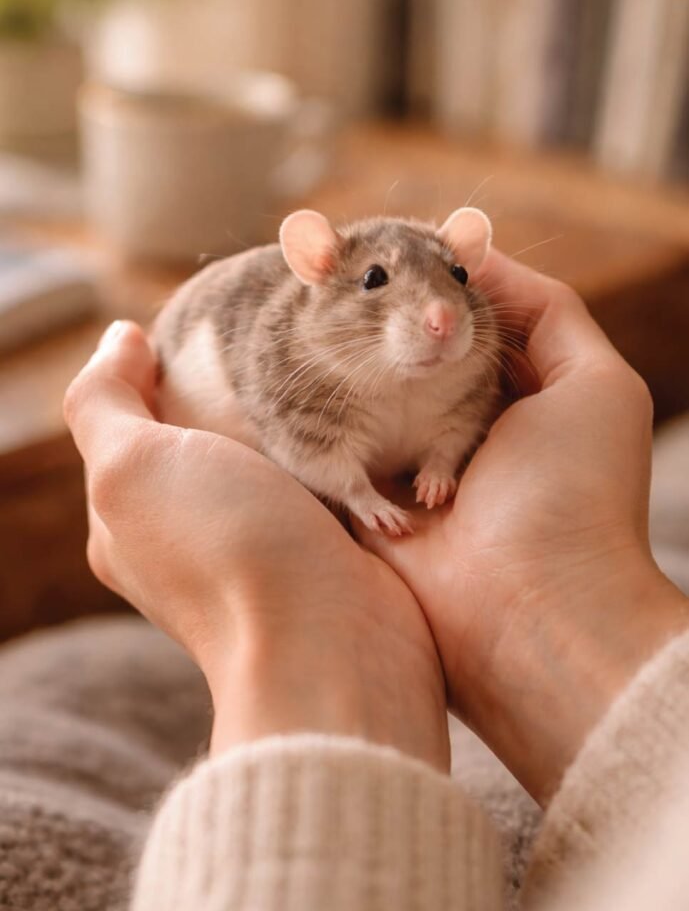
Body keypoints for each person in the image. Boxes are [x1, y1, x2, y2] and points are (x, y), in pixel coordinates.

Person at [58, 249, 689, 910]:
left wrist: (291, 619)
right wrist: (356, 500)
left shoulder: (475, 359)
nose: (440, 313)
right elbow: (296, 427)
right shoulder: (292, 359)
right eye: (378, 280)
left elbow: (459, 419)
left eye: (454, 281)